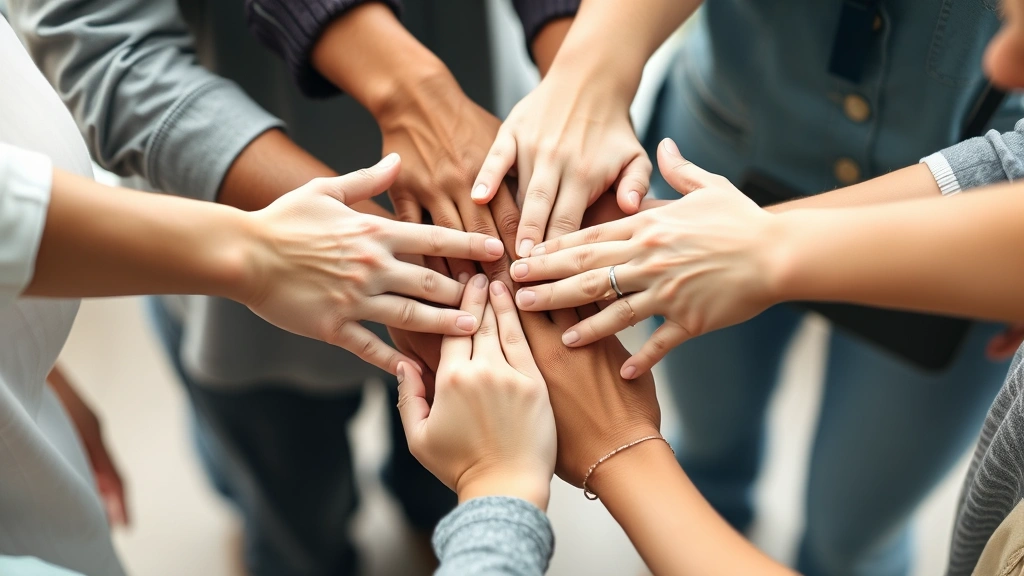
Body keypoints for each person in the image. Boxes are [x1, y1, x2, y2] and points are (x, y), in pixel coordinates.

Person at [468, 2, 1024, 574]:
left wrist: (621, 452)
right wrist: (588, 71)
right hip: (725, 152)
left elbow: (1017, 160)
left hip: (959, 242)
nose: (999, 65)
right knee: (708, 449)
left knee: (851, 536)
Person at [5, 1, 518, 573]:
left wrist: (584, 76)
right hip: (236, 286)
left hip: (462, 203)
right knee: (296, 525)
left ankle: (443, 529)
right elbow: (99, 46)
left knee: (456, 476)